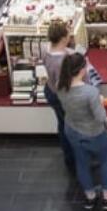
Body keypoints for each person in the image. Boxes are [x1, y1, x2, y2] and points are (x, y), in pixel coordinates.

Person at [57, 53, 107, 210]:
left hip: (72, 131)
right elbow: (100, 117)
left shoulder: (60, 86)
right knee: (106, 161)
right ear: (82, 70)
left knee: (82, 163)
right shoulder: (90, 92)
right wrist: (104, 110)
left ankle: (90, 197)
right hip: (95, 133)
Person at [41, 19, 77, 174]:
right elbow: (65, 84)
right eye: (68, 34)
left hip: (50, 91)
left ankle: (69, 156)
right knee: (70, 126)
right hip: (61, 96)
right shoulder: (62, 61)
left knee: (62, 124)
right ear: (63, 38)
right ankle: (74, 158)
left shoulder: (47, 51)